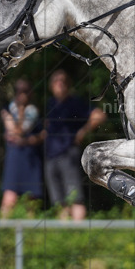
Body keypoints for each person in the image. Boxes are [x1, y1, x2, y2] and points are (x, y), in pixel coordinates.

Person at [44, 69, 106, 220]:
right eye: (56, 81)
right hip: (50, 156)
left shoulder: (75, 102)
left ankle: (79, 233)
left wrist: (83, 131)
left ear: (68, 84)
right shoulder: (50, 104)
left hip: (68, 154)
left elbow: (99, 115)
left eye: (63, 81)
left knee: (75, 197)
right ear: (51, 85)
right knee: (59, 201)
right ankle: (65, 237)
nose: (59, 84)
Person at [0, 77, 44, 217]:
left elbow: (18, 131)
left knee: (30, 201)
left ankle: (31, 237)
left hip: (30, 159)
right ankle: (2, 235)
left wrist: (20, 112)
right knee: (9, 199)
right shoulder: (7, 108)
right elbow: (15, 132)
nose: (21, 94)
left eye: (24, 91)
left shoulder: (33, 111)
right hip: (14, 158)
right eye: (18, 91)